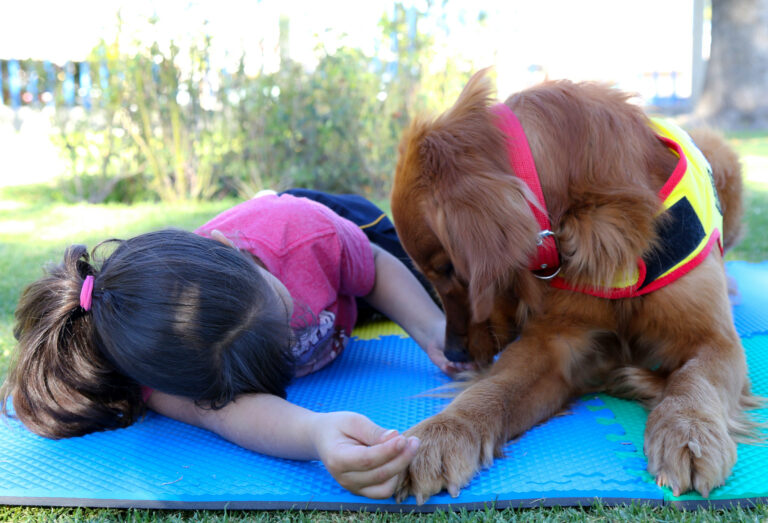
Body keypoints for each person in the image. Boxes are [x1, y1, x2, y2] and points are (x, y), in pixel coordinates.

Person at [1, 191, 469, 499]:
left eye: (283, 312)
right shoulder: (162, 370)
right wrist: (318, 433)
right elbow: (226, 416)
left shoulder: (305, 236)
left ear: (227, 246)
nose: (289, 334)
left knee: (444, 263)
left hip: (335, 228)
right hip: (330, 306)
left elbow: (371, 265)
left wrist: (432, 328)